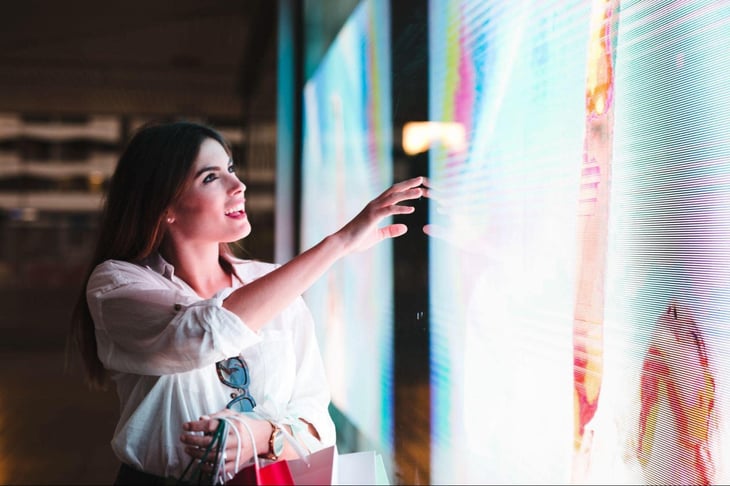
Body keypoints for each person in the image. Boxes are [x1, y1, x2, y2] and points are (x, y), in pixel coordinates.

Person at [68, 120, 429, 484]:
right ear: (164, 206)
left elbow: (318, 423)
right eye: (211, 178)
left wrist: (260, 436)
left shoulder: (272, 283)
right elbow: (199, 334)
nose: (238, 186)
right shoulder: (115, 284)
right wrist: (337, 244)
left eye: (231, 169)